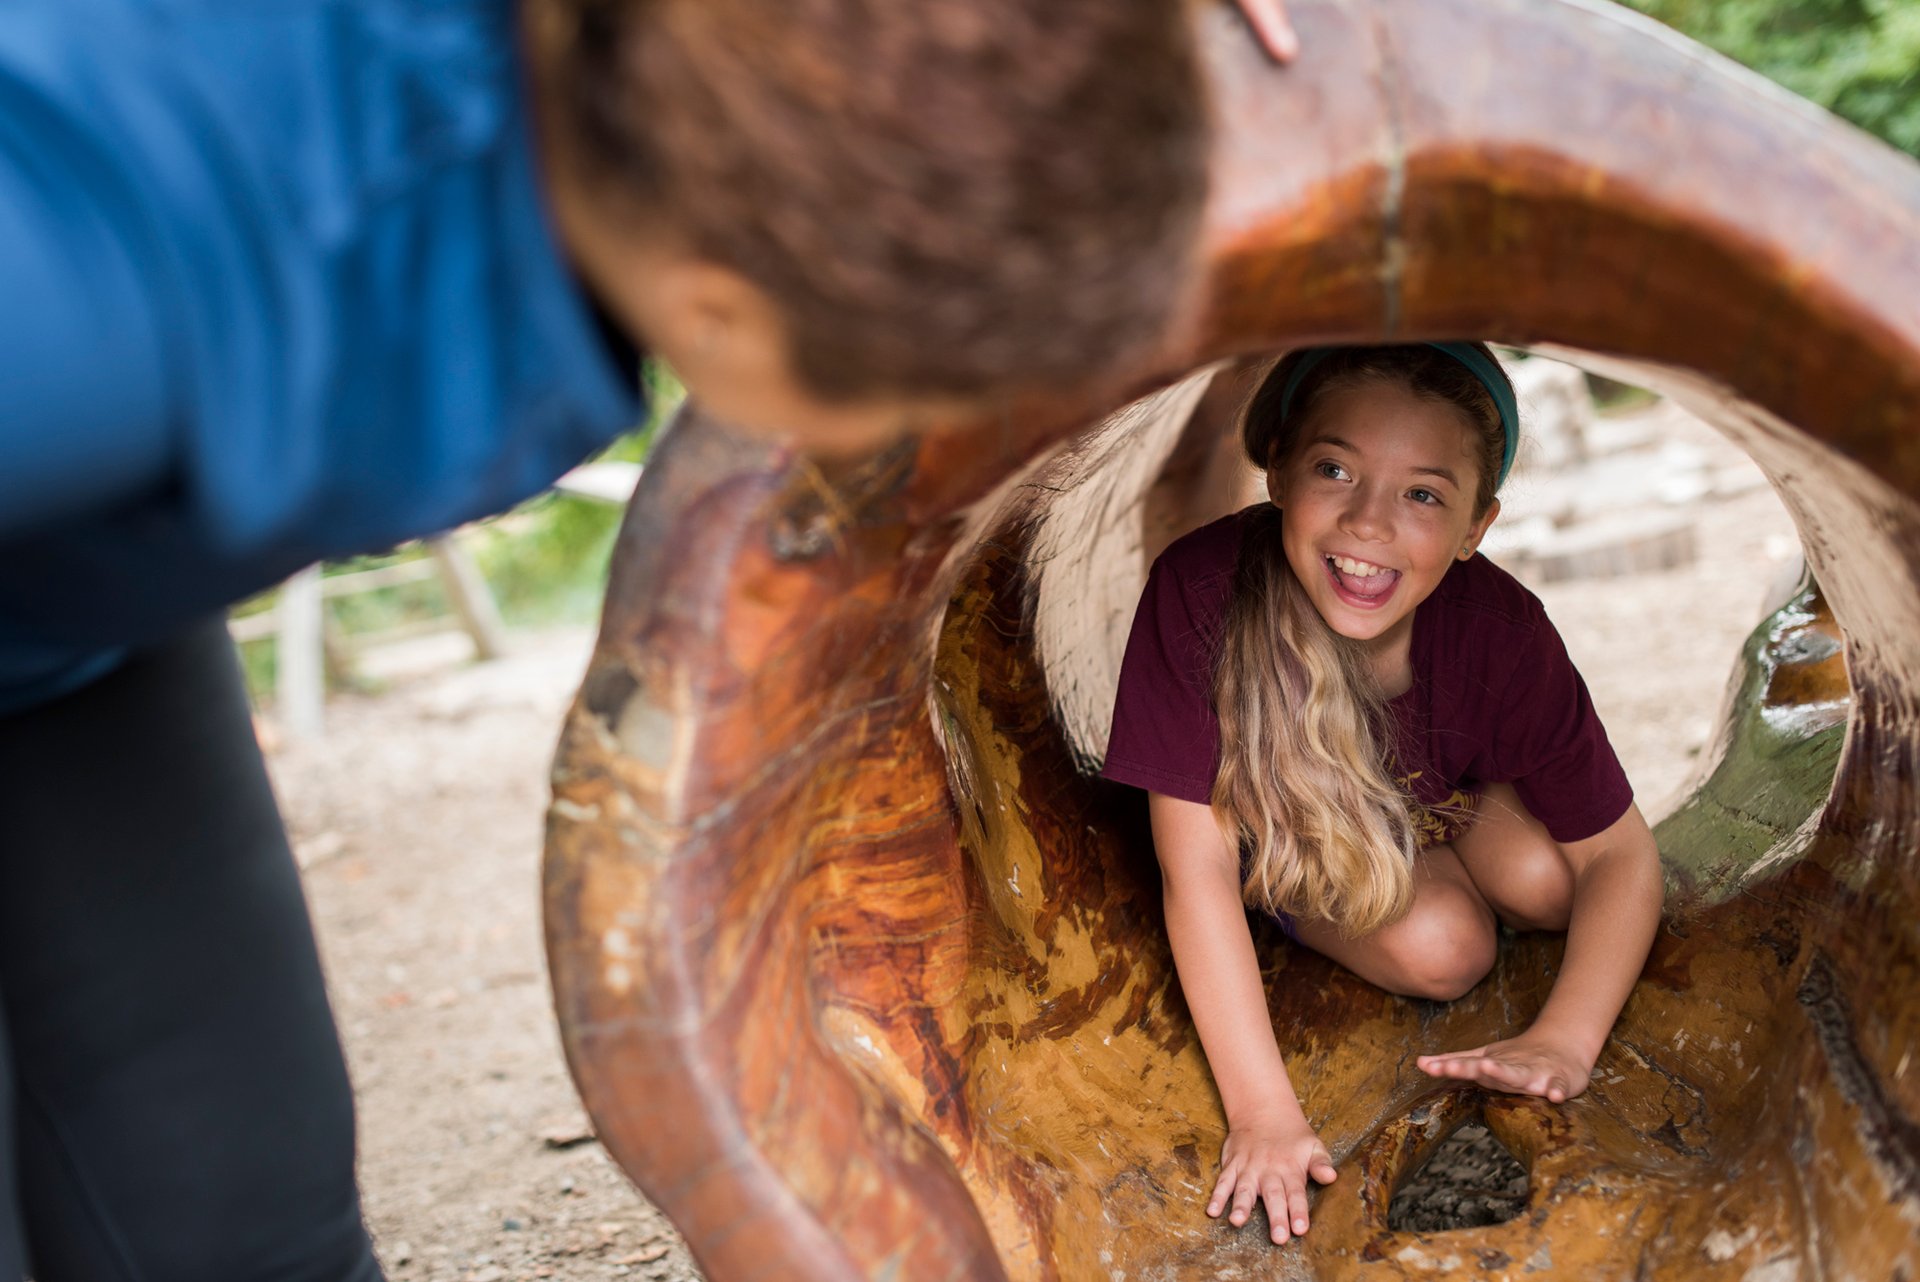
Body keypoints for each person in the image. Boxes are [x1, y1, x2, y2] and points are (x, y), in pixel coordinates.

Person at [0, 0, 1307, 1276]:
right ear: (724, 315)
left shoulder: (678, 89)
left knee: (250, 1230)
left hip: (84, 601)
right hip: (95, 380)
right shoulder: (95, 300)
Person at [1102, 345, 1665, 1247]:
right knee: (1447, 947)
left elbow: (1621, 856)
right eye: (1336, 470)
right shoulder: (1202, 591)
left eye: (1423, 495)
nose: (1368, 523)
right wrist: (1263, 1113)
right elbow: (1196, 865)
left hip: (1433, 805)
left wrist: (1565, 1039)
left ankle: (1429, 841)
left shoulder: (1499, 627)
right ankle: (1350, 882)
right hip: (1295, 829)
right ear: (1279, 467)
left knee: (1550, 884)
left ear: (1477, 526)